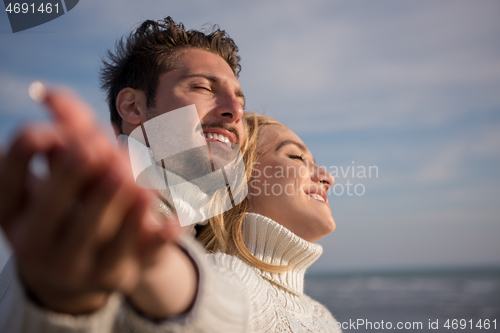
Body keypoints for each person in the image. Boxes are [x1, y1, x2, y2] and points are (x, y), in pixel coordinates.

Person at [0, 16, 245, 332]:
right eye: (201, 86)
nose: (236, 111)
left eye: (241, 101)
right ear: (132, 106)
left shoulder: (200, 229)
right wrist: (61, 308)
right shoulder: (85, 214)